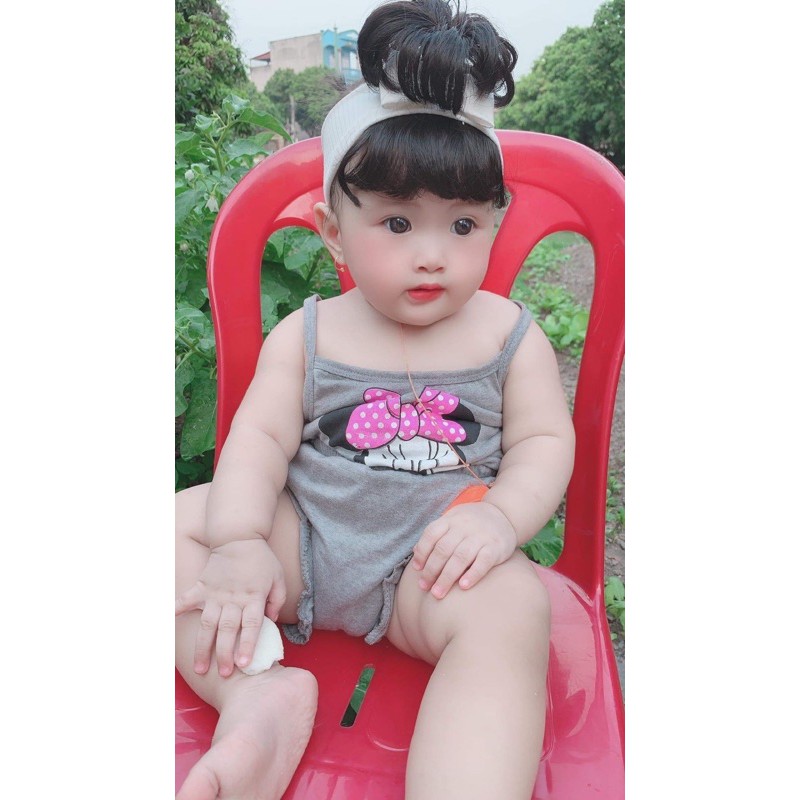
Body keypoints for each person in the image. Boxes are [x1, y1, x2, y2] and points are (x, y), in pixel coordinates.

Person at [175, 1, 575, 797]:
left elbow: (543, 444)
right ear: (333, 230)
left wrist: (499, 519)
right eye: (397, 224)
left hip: (432, 567)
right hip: (303, 545)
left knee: (513, 611)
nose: (432, 256)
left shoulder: (508, 336)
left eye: (462, 226)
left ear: (495, 223)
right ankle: (255, 689)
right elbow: (258, 442)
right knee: (169, 530)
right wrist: (241, 542)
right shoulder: (308, 332)